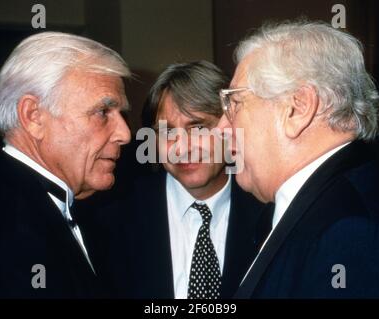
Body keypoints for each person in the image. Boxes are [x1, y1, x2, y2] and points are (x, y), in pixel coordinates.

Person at [216, 21, 379, 298]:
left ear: (298, 108)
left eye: (234, 103)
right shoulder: (333, 200)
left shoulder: (353, 236)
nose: (221, 127)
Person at [100, 61, 270, 299]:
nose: (181, 148)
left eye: (198, 127)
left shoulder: (269, 213)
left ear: (229, 126)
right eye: (167, 132)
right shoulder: (111, 217)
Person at [0, 32, 131, 298]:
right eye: (103, 112)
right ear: (33, 116)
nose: (125, 134)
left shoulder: (74, 213)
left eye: (122, 114)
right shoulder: (0, 227)